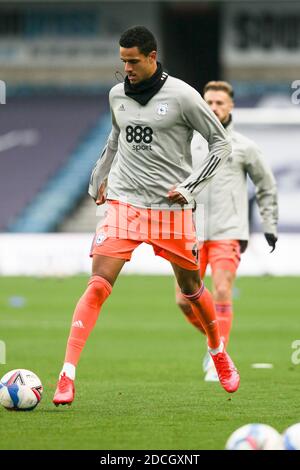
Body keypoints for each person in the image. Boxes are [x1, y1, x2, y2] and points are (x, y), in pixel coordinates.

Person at [53, 27, 240, 406]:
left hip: (169, 208)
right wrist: (98, 177)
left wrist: (191, 186)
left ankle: (218, 350)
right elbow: (114, 139)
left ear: (152, 57)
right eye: (122, 62)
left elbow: (221, 143)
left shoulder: (184, 96)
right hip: (124, 202)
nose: (127, 69)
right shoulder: (117, 94)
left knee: (190, 290)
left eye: (133, 61)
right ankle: (66, 375)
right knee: (98, 284)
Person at [175, 80, 278, 382]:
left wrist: (269, 224)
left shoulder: (244, 146)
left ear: (231, 106)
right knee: (184, 301)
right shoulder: (187, 143)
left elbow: (266, 185)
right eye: (209, 102)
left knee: (221, 289)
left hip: (227, 231)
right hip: (190, 232)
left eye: (220, 103)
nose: (214, 108)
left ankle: (215, 359)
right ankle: (218, 346)